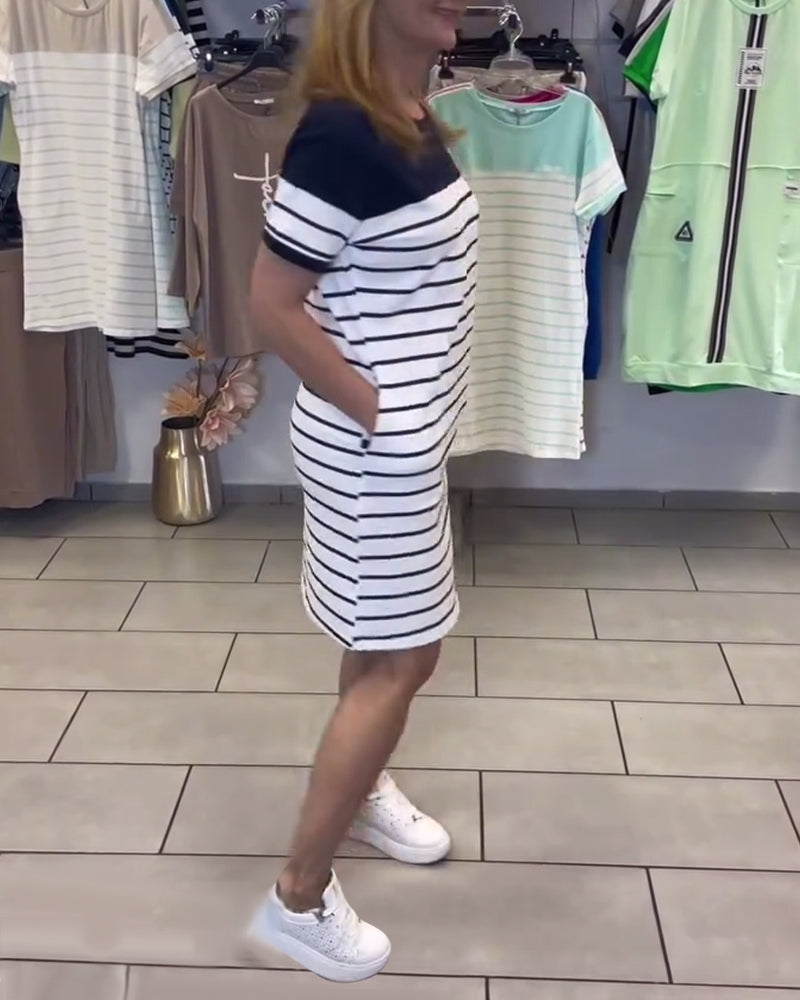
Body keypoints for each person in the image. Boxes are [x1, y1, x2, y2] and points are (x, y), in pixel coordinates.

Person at [247, 0, 476, 983]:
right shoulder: (343, 133)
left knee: (384, 643)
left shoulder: (407, 115)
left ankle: (365, 788)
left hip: (399, 448)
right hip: (374, 451)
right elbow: (271, 304)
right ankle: (298, 898)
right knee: (405, 656)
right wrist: (382, 413)